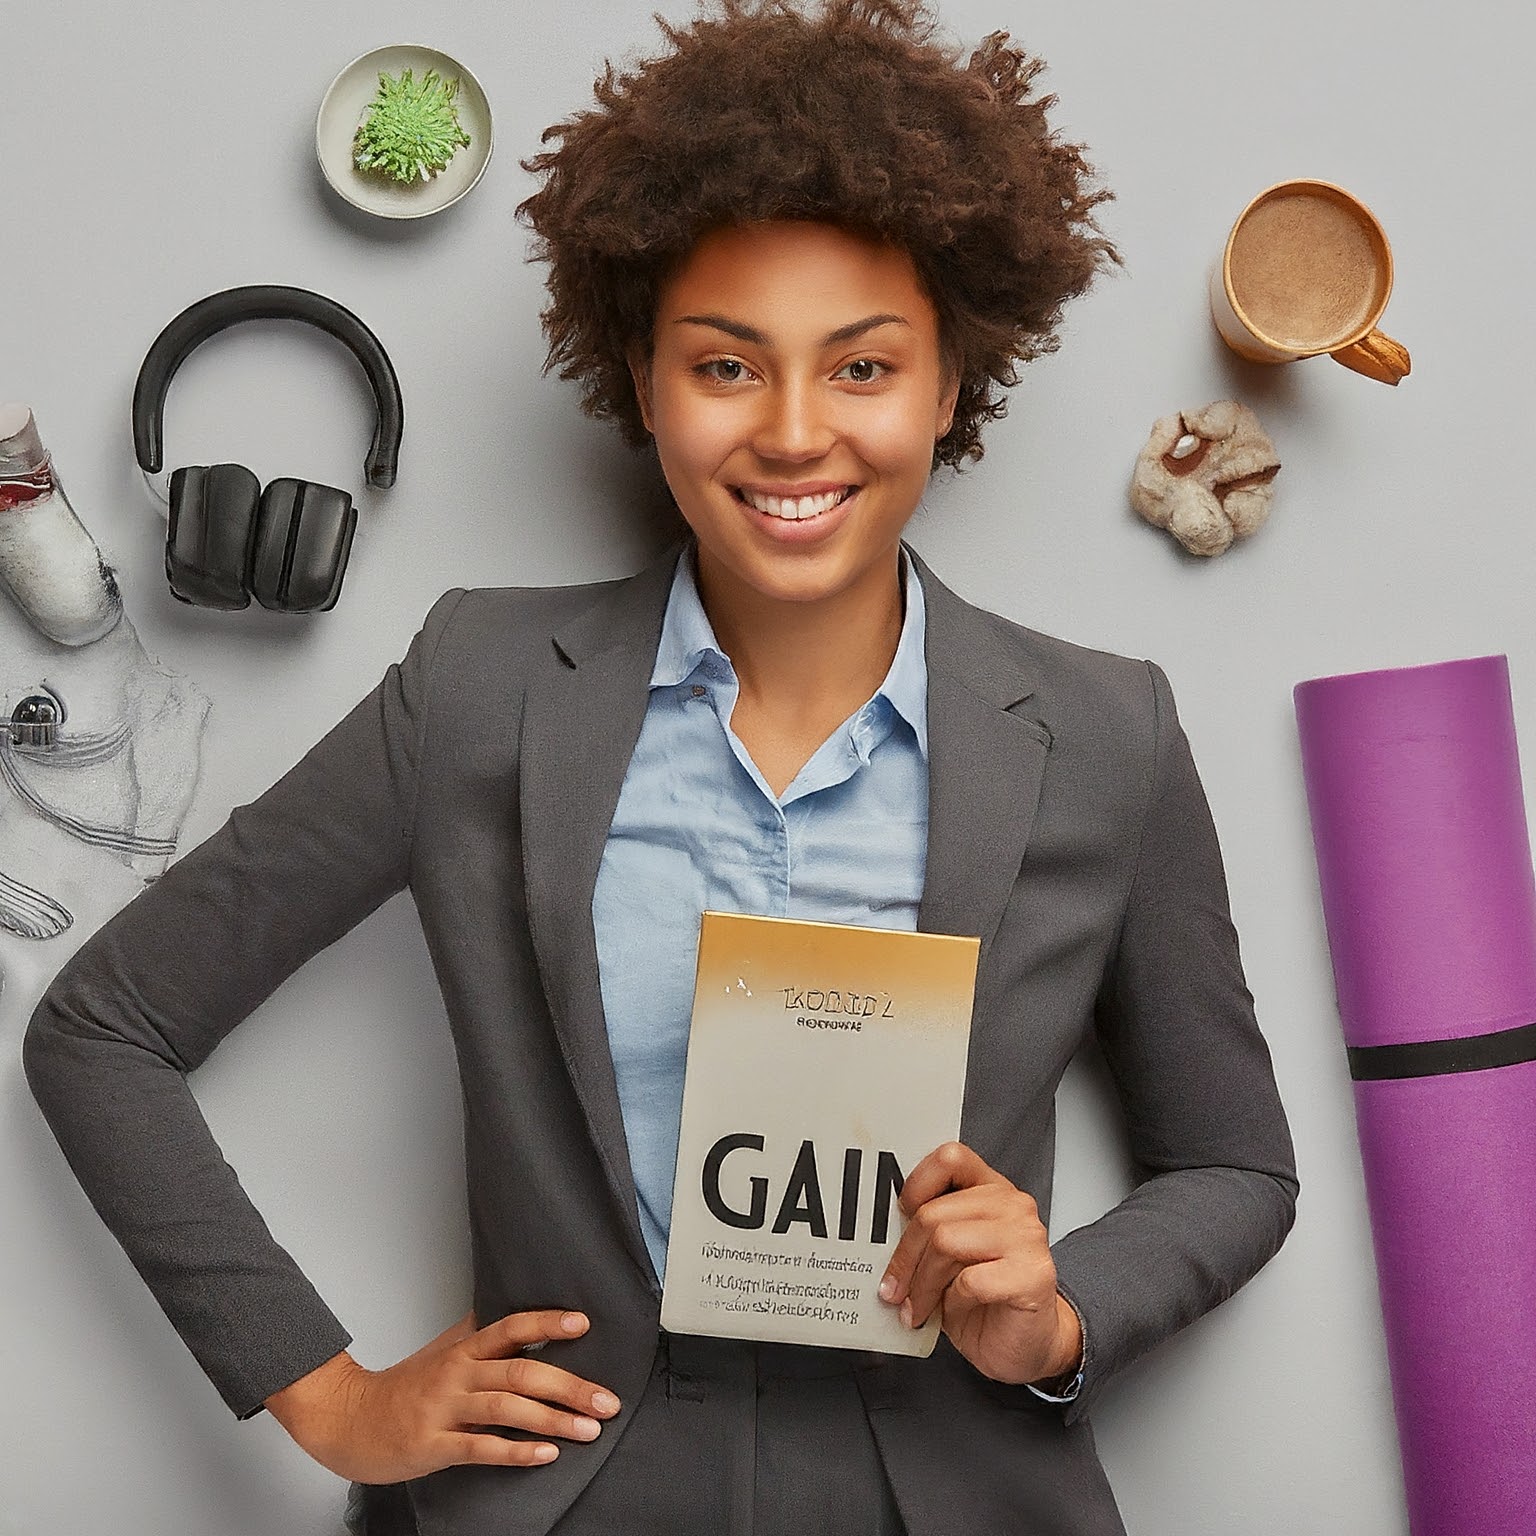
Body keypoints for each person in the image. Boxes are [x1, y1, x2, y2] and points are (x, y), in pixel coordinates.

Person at [23, 2, 1298, 1532]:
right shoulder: (483, 689)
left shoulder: (1108, 735)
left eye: (866, 367)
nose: (795, 431)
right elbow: (106, 1026)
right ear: (642, 380)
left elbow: (1234, 1164)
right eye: (726, 365)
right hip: (564, 1492)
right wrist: (327, 1393)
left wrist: (1065, 1311)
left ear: (951, 385)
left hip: (949, 1483)